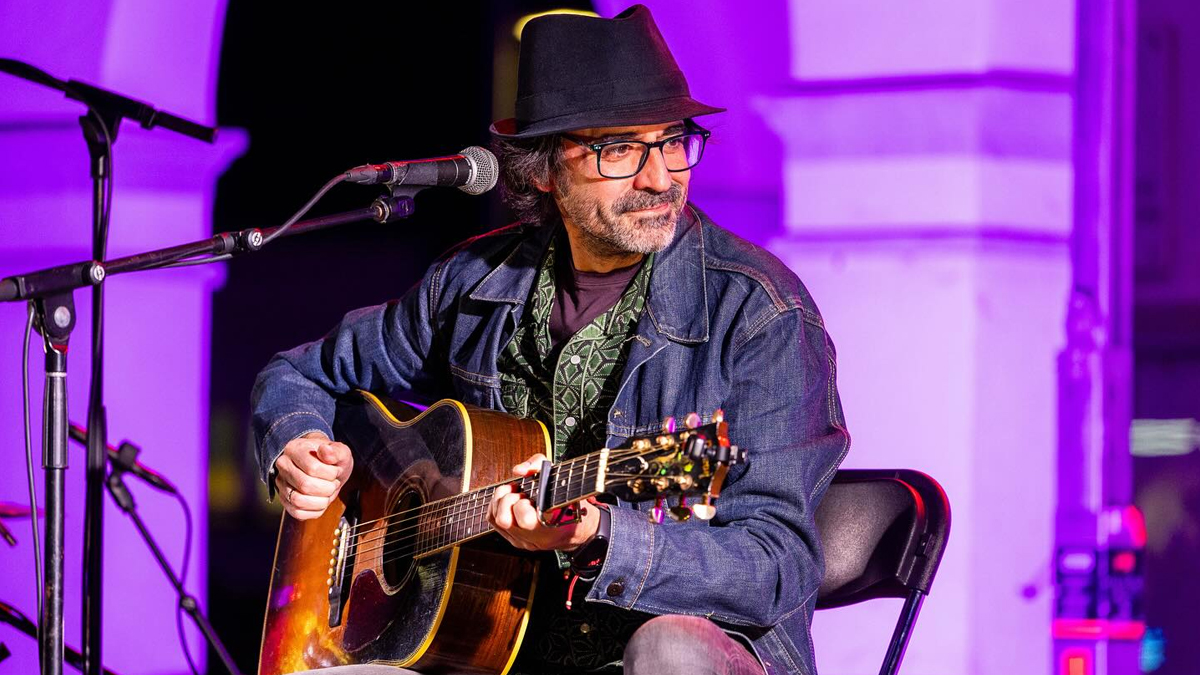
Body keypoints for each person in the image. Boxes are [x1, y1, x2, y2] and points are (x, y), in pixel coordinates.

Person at [251, 5, 849, 675]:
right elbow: (297, 374)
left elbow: (777, 564)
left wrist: (602, 535)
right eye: (619, 149)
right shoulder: (473, 283)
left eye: (673, 141)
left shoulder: (761, 314)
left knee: (667, 649)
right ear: (542, 170)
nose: (660, 177)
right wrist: (297, 445)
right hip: (484, 649)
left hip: (675, 652)